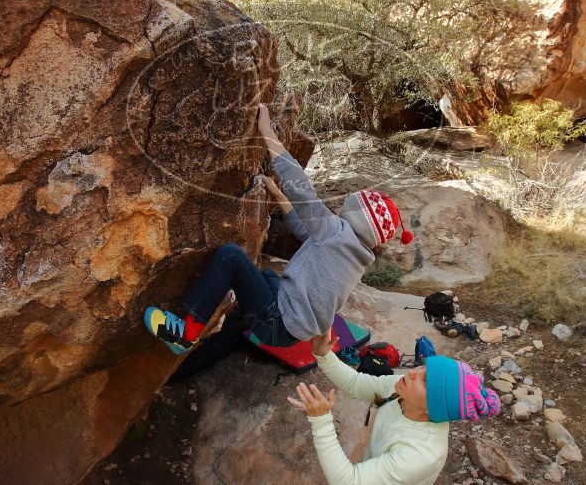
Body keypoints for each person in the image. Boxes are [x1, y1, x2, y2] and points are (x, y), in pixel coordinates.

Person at [144, 104, 413, 353]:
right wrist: (274, 191)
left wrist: (267, 131)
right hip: (292, 331)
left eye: (350, 204)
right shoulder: (353, 254)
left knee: (230, 257)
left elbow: (303, 190)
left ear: (359, 218)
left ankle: (185, 335)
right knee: (268, 277)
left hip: (277, 322)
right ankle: (235, 320)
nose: (343, 203)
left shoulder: (334, 232)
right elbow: (301, 228)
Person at [288, 333, 501, 484]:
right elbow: (356, 384)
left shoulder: (421, 454)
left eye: (425, 381)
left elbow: (349, 481)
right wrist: (324, 355)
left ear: (433, 408)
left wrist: (321, 421)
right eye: (422, 366)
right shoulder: (402, 388)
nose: (412, 373)